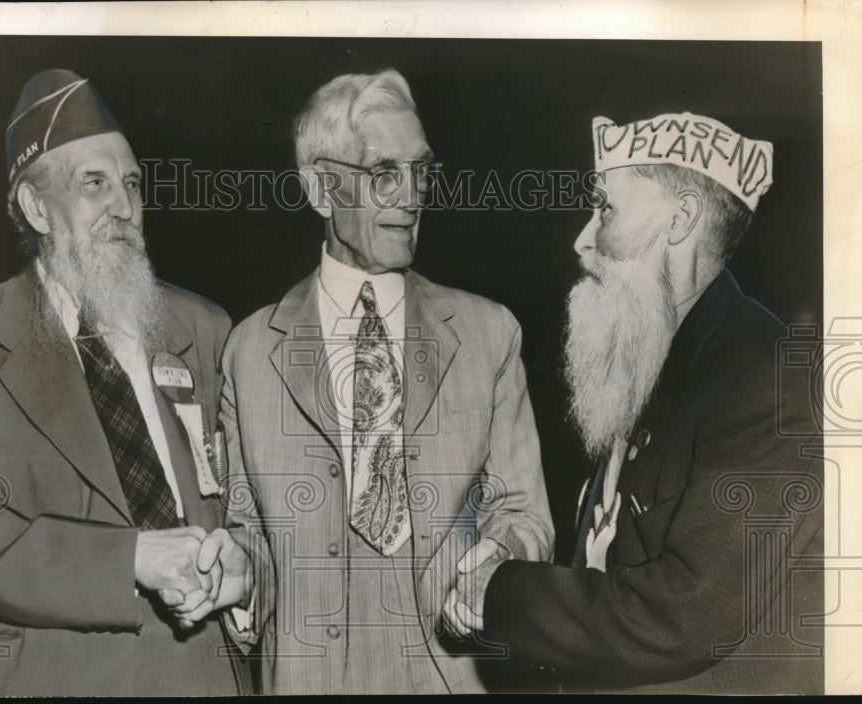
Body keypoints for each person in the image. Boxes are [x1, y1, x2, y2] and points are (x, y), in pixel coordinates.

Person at [0, 69, 252, 696]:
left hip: (202, 676)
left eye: (131, 184)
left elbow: (254, 506)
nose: (123, 207)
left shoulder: (204, 329)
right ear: (38, 207)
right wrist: (132, 558)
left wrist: (246, 569)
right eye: (93, 183)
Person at [454, 112, 824, 693]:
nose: (581, 239)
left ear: (680, 221)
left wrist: (501, 592)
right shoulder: (654, 358)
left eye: (605, 210)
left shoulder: (770, 378)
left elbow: (687, 615)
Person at [214, 69, 554, 694]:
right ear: (321, 188)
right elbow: (251, 542)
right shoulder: (249, 351)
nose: (410, 194)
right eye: (382, 173)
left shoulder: (488, 334)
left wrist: (497, 562)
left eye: (421, 170)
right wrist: (236, 578)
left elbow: (523, 513)